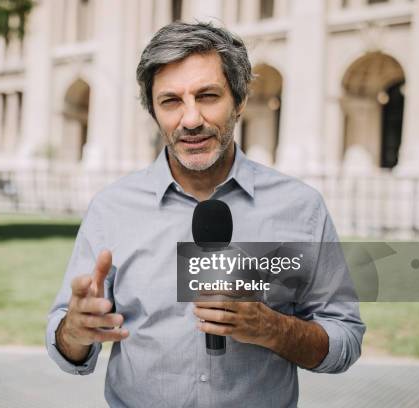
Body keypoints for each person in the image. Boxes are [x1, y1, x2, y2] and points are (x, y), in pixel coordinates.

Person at [46, 21, 365, 407]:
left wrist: (271, 328)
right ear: (153, 111)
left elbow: (345, 338)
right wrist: (75, 332)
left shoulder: (301, 208)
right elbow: (67, 347)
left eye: (208, 96)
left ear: (240, 100)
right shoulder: (111, 208)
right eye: (171, 101)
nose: (191, 119)